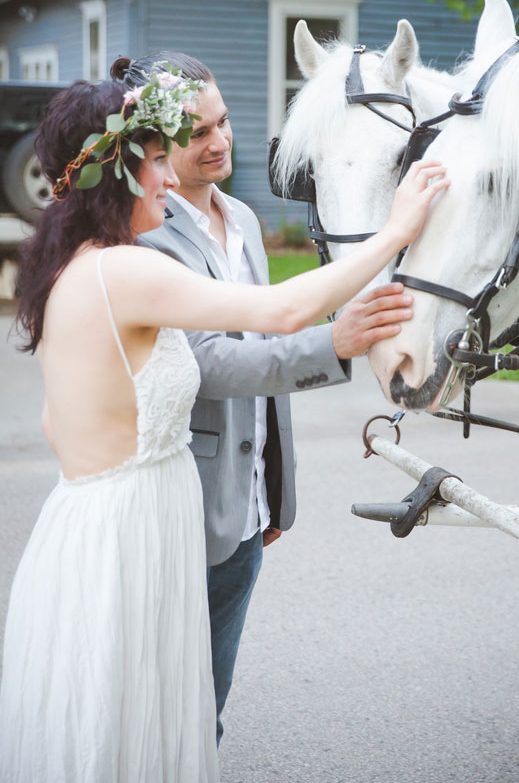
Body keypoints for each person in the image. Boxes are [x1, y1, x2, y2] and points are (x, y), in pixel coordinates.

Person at [0, 67, 447, 783]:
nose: (168, 180)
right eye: (155, 161)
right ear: (115, 173)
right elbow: (281, 315)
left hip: (96, 526)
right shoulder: (123, 271)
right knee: (134, 729)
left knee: (113, 722)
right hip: (131, 536)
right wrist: (396, 229)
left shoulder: (71, 266)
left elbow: (58, 424)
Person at [119, 50, 418, 745]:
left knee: (207, 707)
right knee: (159, 711)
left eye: (223, 122)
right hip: (181, 515)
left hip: (247, 511)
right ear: (155, 146)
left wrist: (271, 490)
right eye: (198, 134)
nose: (219, 141)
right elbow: (209, 365)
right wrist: (333, 343)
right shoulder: (144, 240)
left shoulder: (246, 221)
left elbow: (260, 369)